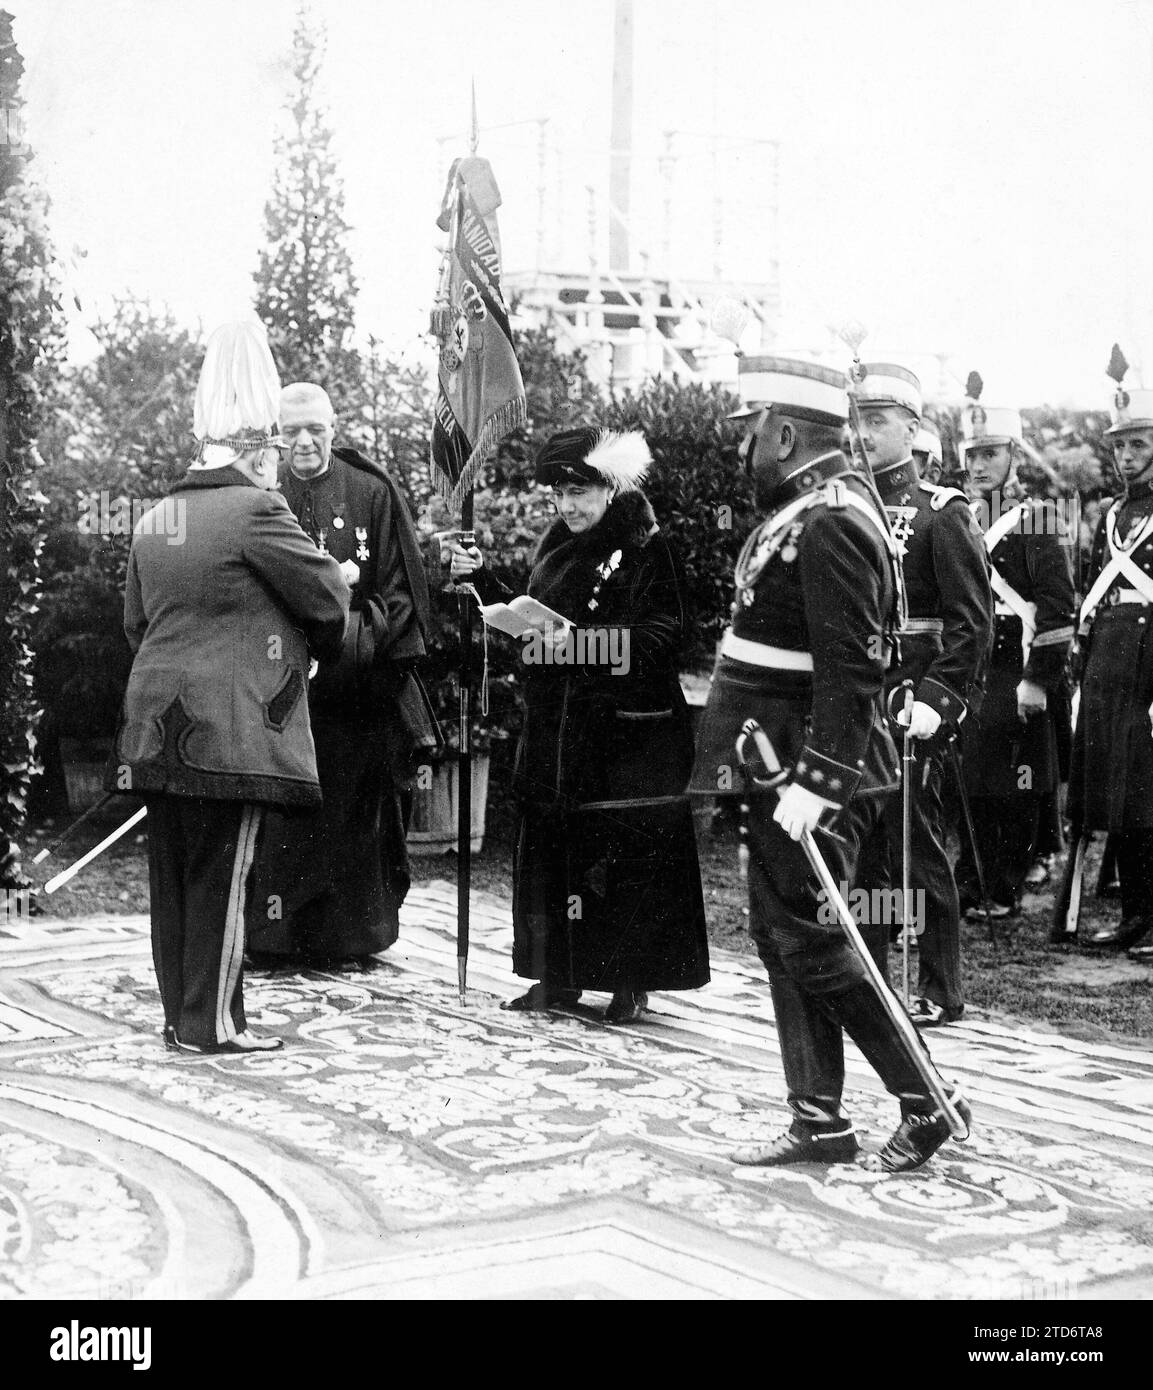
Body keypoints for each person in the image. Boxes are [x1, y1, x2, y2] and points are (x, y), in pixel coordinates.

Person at [690, 354, 970, 1172]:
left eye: (750, 436)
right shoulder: (811, 509)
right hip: (773, 766)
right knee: (786, 941)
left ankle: (925, 1099)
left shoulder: (832, 519)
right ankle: (818, 1119)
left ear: (782, 433)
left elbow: (853, 670)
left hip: (807, 775)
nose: (743, 451)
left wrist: (818, 782)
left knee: (813, 940)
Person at [110, 322, 350, 1054]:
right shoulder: (255, 509)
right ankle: (214, 1024)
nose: (279, 467)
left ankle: (181, 1016)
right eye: (273, 454)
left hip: (157, 724)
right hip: (230, 730)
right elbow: (328, 604)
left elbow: (135, 623)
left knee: (176, 876)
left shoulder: (157, 516)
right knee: (224, 872)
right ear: (253, 453)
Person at [449, 426, 709, 1023]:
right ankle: (558, 977)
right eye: (559, 493)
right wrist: (484, 583)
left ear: (611, 487)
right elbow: (536, 619)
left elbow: (664, 637)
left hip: (626, 737)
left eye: (580, 491)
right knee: (554, 852)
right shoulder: (557, 545)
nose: (568, 506)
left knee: (619, 856)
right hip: (557, 732)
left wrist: (581, 645)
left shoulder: (649, 547)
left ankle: (629, 979)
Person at [246, 383, 436, 966]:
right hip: (277, 693)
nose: (303, 442)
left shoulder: (372, 493)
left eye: (316, 430)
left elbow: (401, 597)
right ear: (274, 433)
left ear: (335, 427)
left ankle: (352, 938)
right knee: (283, 821)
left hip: (353, 694)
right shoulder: (258, 493)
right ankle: (275, 939)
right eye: (291, 431)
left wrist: (349, 636)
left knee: (352, 817)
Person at [849, 364, 993, 1027]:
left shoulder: (942, 512)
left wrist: (937, 698)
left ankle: (940, 987)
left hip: (912, 699)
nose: (863, 433)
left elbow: (972, 623)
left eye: (877, 421)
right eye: (857, 420)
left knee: (918, 845)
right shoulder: (843, 503)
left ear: (911, 430)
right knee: (864, 845)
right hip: (857, 698)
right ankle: (875, 978)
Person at [955, 388, 1074, 920]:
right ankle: (972, 879)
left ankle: (1002, 885)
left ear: (1014, 458)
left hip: (1015, 663)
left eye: (990, 454)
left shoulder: (1040, 518)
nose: (978, 466)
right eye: (971, 455)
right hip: (972, 663)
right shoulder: (959, 516)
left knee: (1013, 783)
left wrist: (1037, 679)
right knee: (969, 782)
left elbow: (1056, 608)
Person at [1065, 358, 1153, 958]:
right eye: (1120, 446)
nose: (1125, 455)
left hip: (1150, 661)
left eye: (1138, 444)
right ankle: (1133, 914)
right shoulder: (1111, 515)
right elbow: (1091, 590)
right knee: (1117, 793)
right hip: (1109, 660)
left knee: (1149, 793)